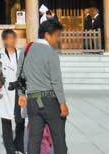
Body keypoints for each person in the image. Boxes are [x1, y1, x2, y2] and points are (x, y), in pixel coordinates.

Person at [18, 20, 68, 154]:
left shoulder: (26, 49)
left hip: (33, 101)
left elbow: (20, 76)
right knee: (59, 138)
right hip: (49, 101)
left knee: (34, 140)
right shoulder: (51, 53)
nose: (58, 40)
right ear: (47, 35)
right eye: (57, 35)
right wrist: (62, 103)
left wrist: (21, 94)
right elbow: (56, 81)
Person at [0, 29, 24, 154]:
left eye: (13, 38)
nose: (11, 40)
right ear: (4, 40)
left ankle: (19, 145)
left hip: (19, 91)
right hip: (4, 92)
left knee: (21, 119)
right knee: (6, 120)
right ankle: (10, 149)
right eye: (8, 38)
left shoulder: (21, 54)